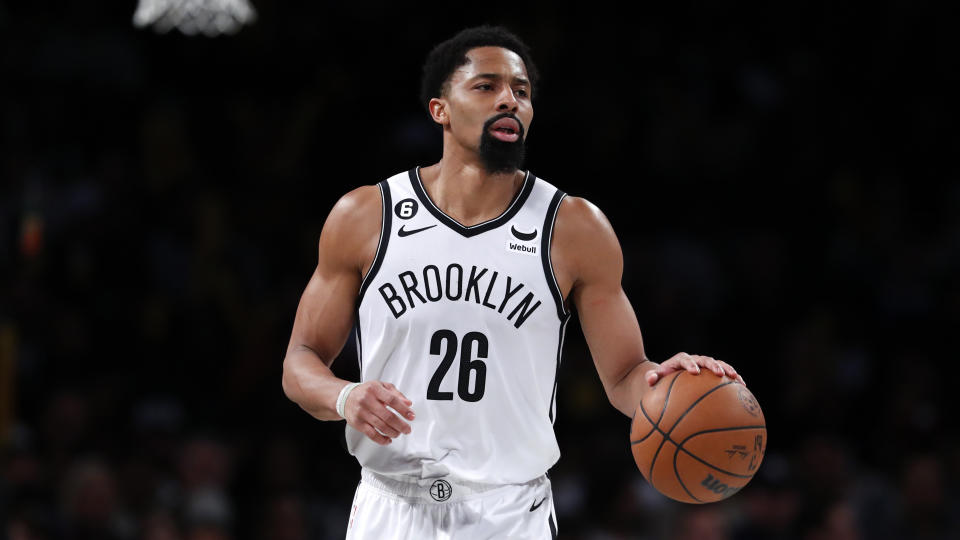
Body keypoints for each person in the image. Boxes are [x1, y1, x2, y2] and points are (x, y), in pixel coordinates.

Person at [281, 25, 745, 539]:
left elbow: (624, 377)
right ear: (441, 109)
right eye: (486, 86)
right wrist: (346, 397)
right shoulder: (367, 215)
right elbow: (300, 360)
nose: (509, 100)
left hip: (508, 514)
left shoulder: (573, 227)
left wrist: (668, 387)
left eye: (521, 91)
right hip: (391, 507)